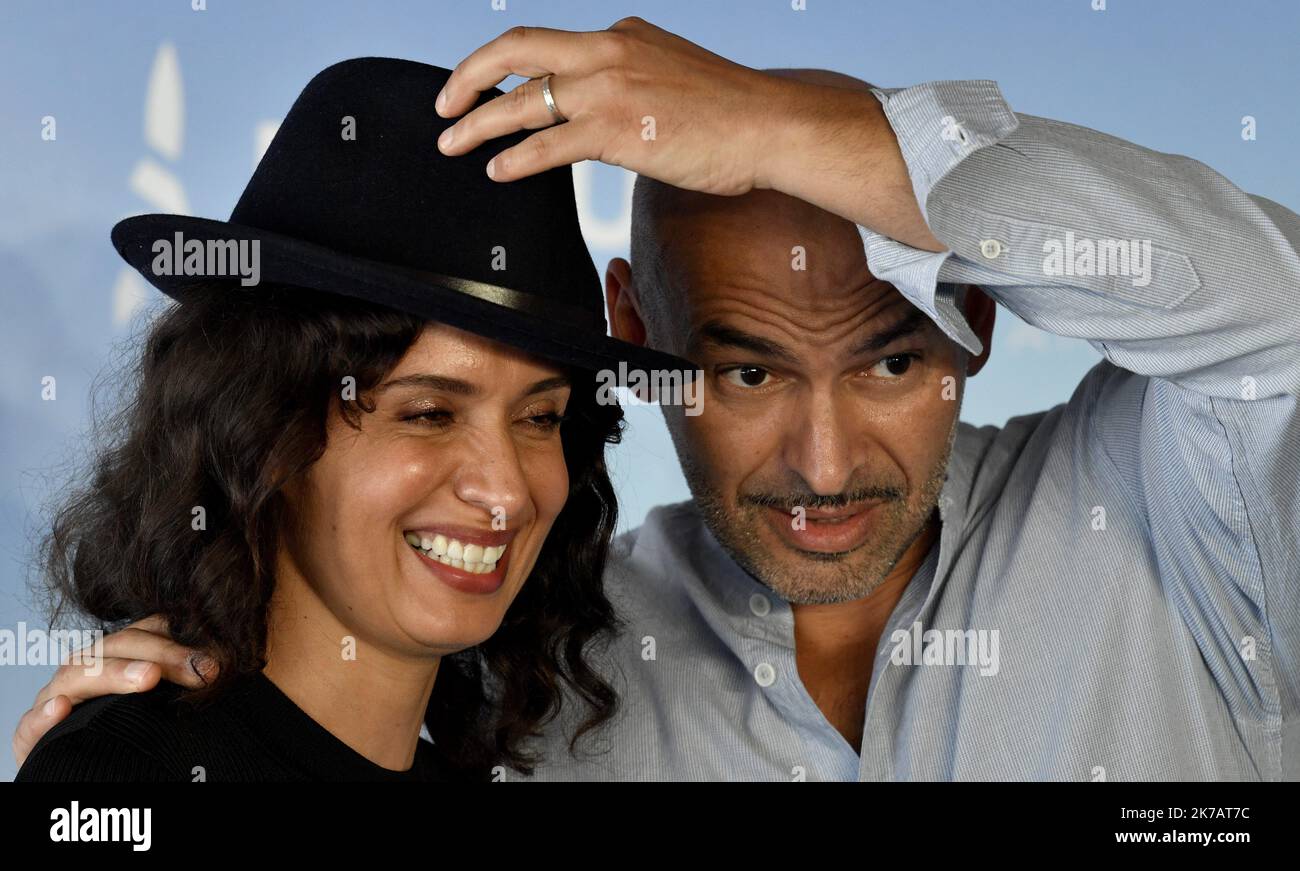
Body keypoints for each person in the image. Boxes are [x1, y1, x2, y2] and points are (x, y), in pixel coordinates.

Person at [17, 19, 1299, 780]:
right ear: (637, 332)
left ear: (971, 308)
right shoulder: (553, 677)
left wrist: (785, 125)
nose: (823, 460)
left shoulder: (1167, 515)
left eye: (889, 360)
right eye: (746, 370)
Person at [13, 56, 695, 782]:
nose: (506, 492)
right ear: (264, 431)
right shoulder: (124, 771)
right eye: (430, 412)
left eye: (539, 417)